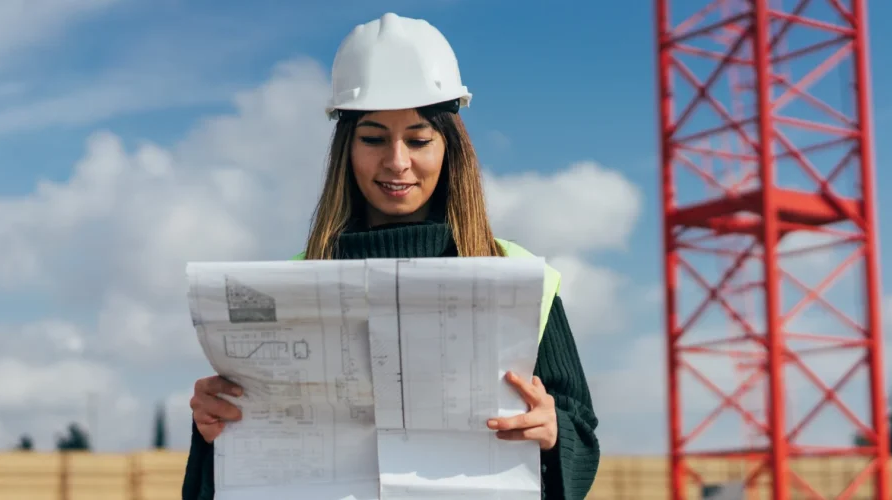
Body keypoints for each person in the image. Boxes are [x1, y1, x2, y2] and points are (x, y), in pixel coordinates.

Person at [182, 12, 600, 500]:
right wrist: (212, 430)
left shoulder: (517, 277)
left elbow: (582, 441)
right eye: (374, 138)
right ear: (346, 148)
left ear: (450, 148)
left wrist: (553, 434)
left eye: (419, 139)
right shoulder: (291, 283)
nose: (397, 161)